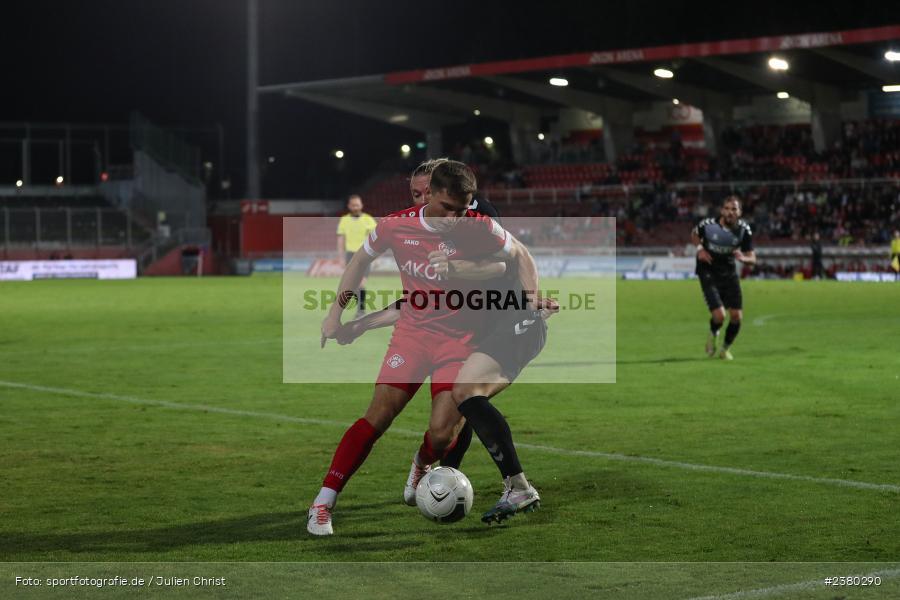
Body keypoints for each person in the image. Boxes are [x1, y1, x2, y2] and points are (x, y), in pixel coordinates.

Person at [308, 160, 541, 535]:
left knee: (441, 435)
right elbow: (359, 263)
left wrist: (531, 298)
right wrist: (337, 314)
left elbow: (517, 255)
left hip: (461, 339)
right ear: (429, 195)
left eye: (463, 209)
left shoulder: (477, 226)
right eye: (448, 209)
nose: (456, 218)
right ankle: (323, 502)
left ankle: (422, 461)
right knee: (377, 418)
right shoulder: (395, 225)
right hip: (413, 336)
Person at [692, 195, 756, 360]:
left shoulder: (744, 230)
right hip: (708, 271)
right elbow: (694, 234)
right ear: (722, 211)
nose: (730, 212)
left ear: (739, 212)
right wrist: (700, 249)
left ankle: (725, 349)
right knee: (720, 315)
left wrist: (743, 258)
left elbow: (753, 259)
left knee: (736, 317)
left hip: (728, 273)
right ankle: (713, 333)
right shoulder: (708, 225)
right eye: (727, 209)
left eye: (734, 209)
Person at [336, 195, 377, 317]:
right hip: (350, 256)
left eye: (357, 205)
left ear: (361, 205)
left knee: (361, 283)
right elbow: (341, 240)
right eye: (353, 205)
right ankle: (356, 307)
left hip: (365, 255)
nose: (355, 207)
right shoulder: (344, 220)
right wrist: (341, 257)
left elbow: (375, 239)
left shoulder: (369, 220)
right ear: (349, 206)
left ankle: (361, 311)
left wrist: (375, 256)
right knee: (352, 285)